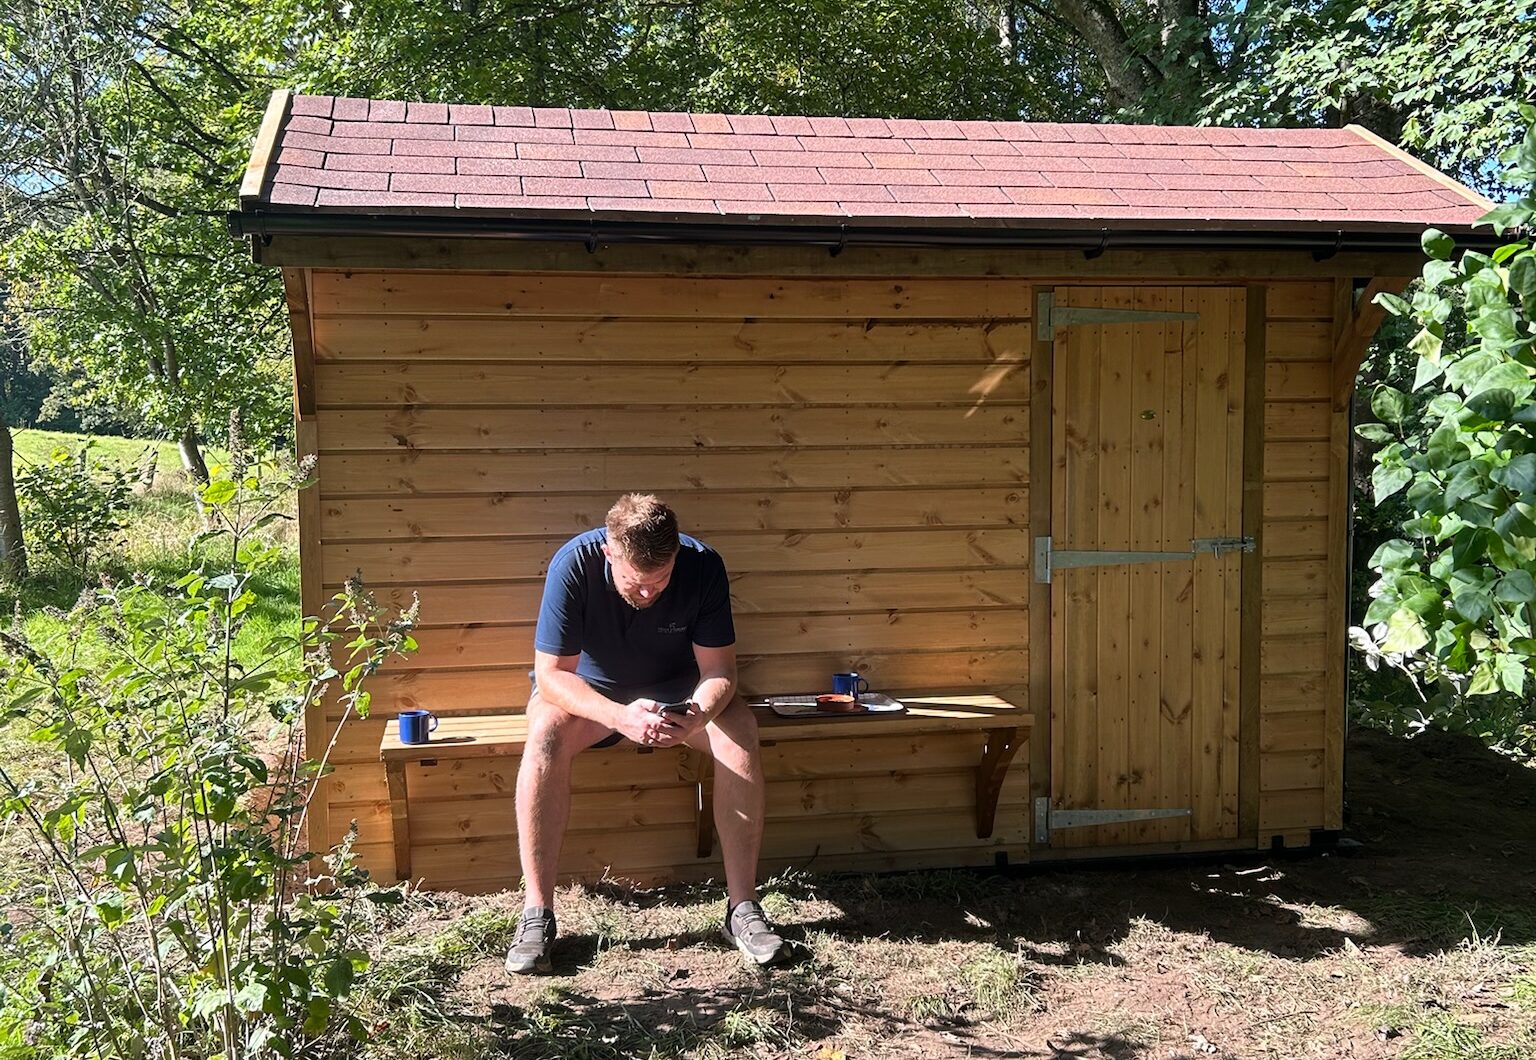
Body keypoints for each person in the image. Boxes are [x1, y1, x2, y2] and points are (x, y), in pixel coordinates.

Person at [505, 493, 786, 974]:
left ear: (676, 554)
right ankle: (537, 915)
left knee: (738, 726)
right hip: (591, 699)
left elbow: (721, 671)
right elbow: (551, 676)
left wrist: (698, 713)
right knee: (545, 731)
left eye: (660, 582)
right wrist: (618, 716)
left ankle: (742, 909)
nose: (649, 594)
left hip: (678, 699)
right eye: (637, 585)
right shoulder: (574, 564)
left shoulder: (703, 566)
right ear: (609, 553)